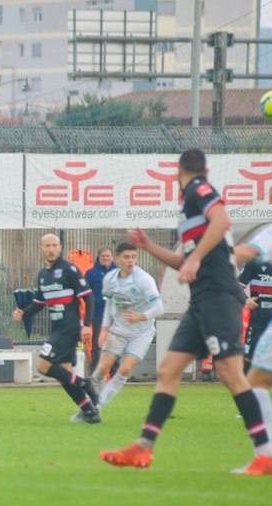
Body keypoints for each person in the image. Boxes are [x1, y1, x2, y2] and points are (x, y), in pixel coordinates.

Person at [100, 149, 272, 474]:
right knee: (168, 370)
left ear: (177, 172)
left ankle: (265, 454)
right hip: (201, 301)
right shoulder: (188, 212)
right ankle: (143, 448)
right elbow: (183, 259)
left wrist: (196, 260)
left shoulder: (197, 189)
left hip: (219, 295)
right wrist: (149, 246)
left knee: (231, 374)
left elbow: (222, 219)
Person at [13, 233, 100, 423]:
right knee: (64, 374)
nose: (51, 249)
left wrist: (87, 326)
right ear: (41, 248)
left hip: (68, 328)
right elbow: (38, 302)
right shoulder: (43, 275)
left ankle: (84, 383)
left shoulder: (70, 269)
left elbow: (89, 297)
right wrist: (23, 313)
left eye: (54, 245)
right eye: (47, 246)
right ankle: (90, 412)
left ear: (60, 247)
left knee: (43, 366)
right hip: (57, 328)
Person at [81, 243, 162, 417]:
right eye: (126, 257)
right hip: (118, 329)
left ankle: (97, 407)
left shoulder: (144, 279)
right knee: (102, 369)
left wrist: (142, 316)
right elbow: (110, 303)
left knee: (124, 370)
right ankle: (89, 403)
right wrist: (104, 329)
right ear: (117, 259)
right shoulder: (109, 279)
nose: (130, 261)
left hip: (141, 333)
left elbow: (159, 307)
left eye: (133, 257)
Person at [232, 223, 272, 475]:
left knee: (255, 381)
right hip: (262, 321)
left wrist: (211, 257)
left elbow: (247, 251)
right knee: (256, 377)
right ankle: (266, 457)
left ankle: (266, 456)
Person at [239, 248, 272, 373]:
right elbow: (237, 286)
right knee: (253, 349)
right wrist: (246, 300)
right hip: (260, 313)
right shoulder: (254, 262)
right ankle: (246, 385)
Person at [86, 247, 116, 371]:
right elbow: (86, 294)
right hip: (98, 314)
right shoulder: (91, 273)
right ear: (99, 258)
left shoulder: (119, 272)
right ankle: (95, 374)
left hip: (116, 314)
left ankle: (115, 373)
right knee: (98, 344)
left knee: (115, 344)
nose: (106, 258)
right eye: (103, 256)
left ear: (112, 257)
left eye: (108, 256)